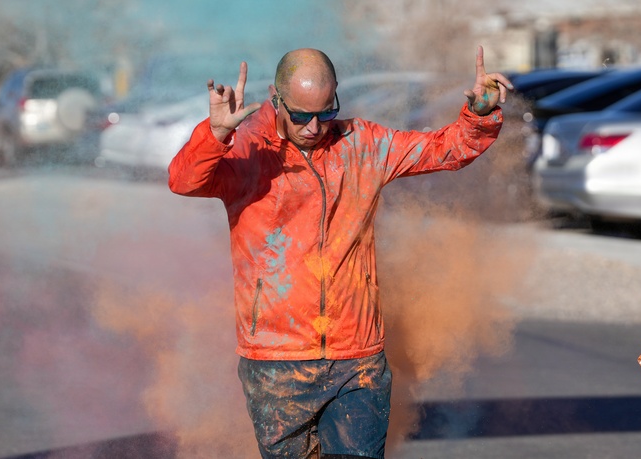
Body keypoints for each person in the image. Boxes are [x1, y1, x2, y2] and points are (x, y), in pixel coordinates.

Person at [168, 46, 512, 459]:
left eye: (325, 112)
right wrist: (217, 134)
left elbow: (447, 149)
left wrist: (479, 114)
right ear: (277, 101)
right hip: (277, 363)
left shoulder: (364, 143)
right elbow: (184, 181)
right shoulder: (248, 152)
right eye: (299, 115)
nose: (313, 127)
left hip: (358, 361)